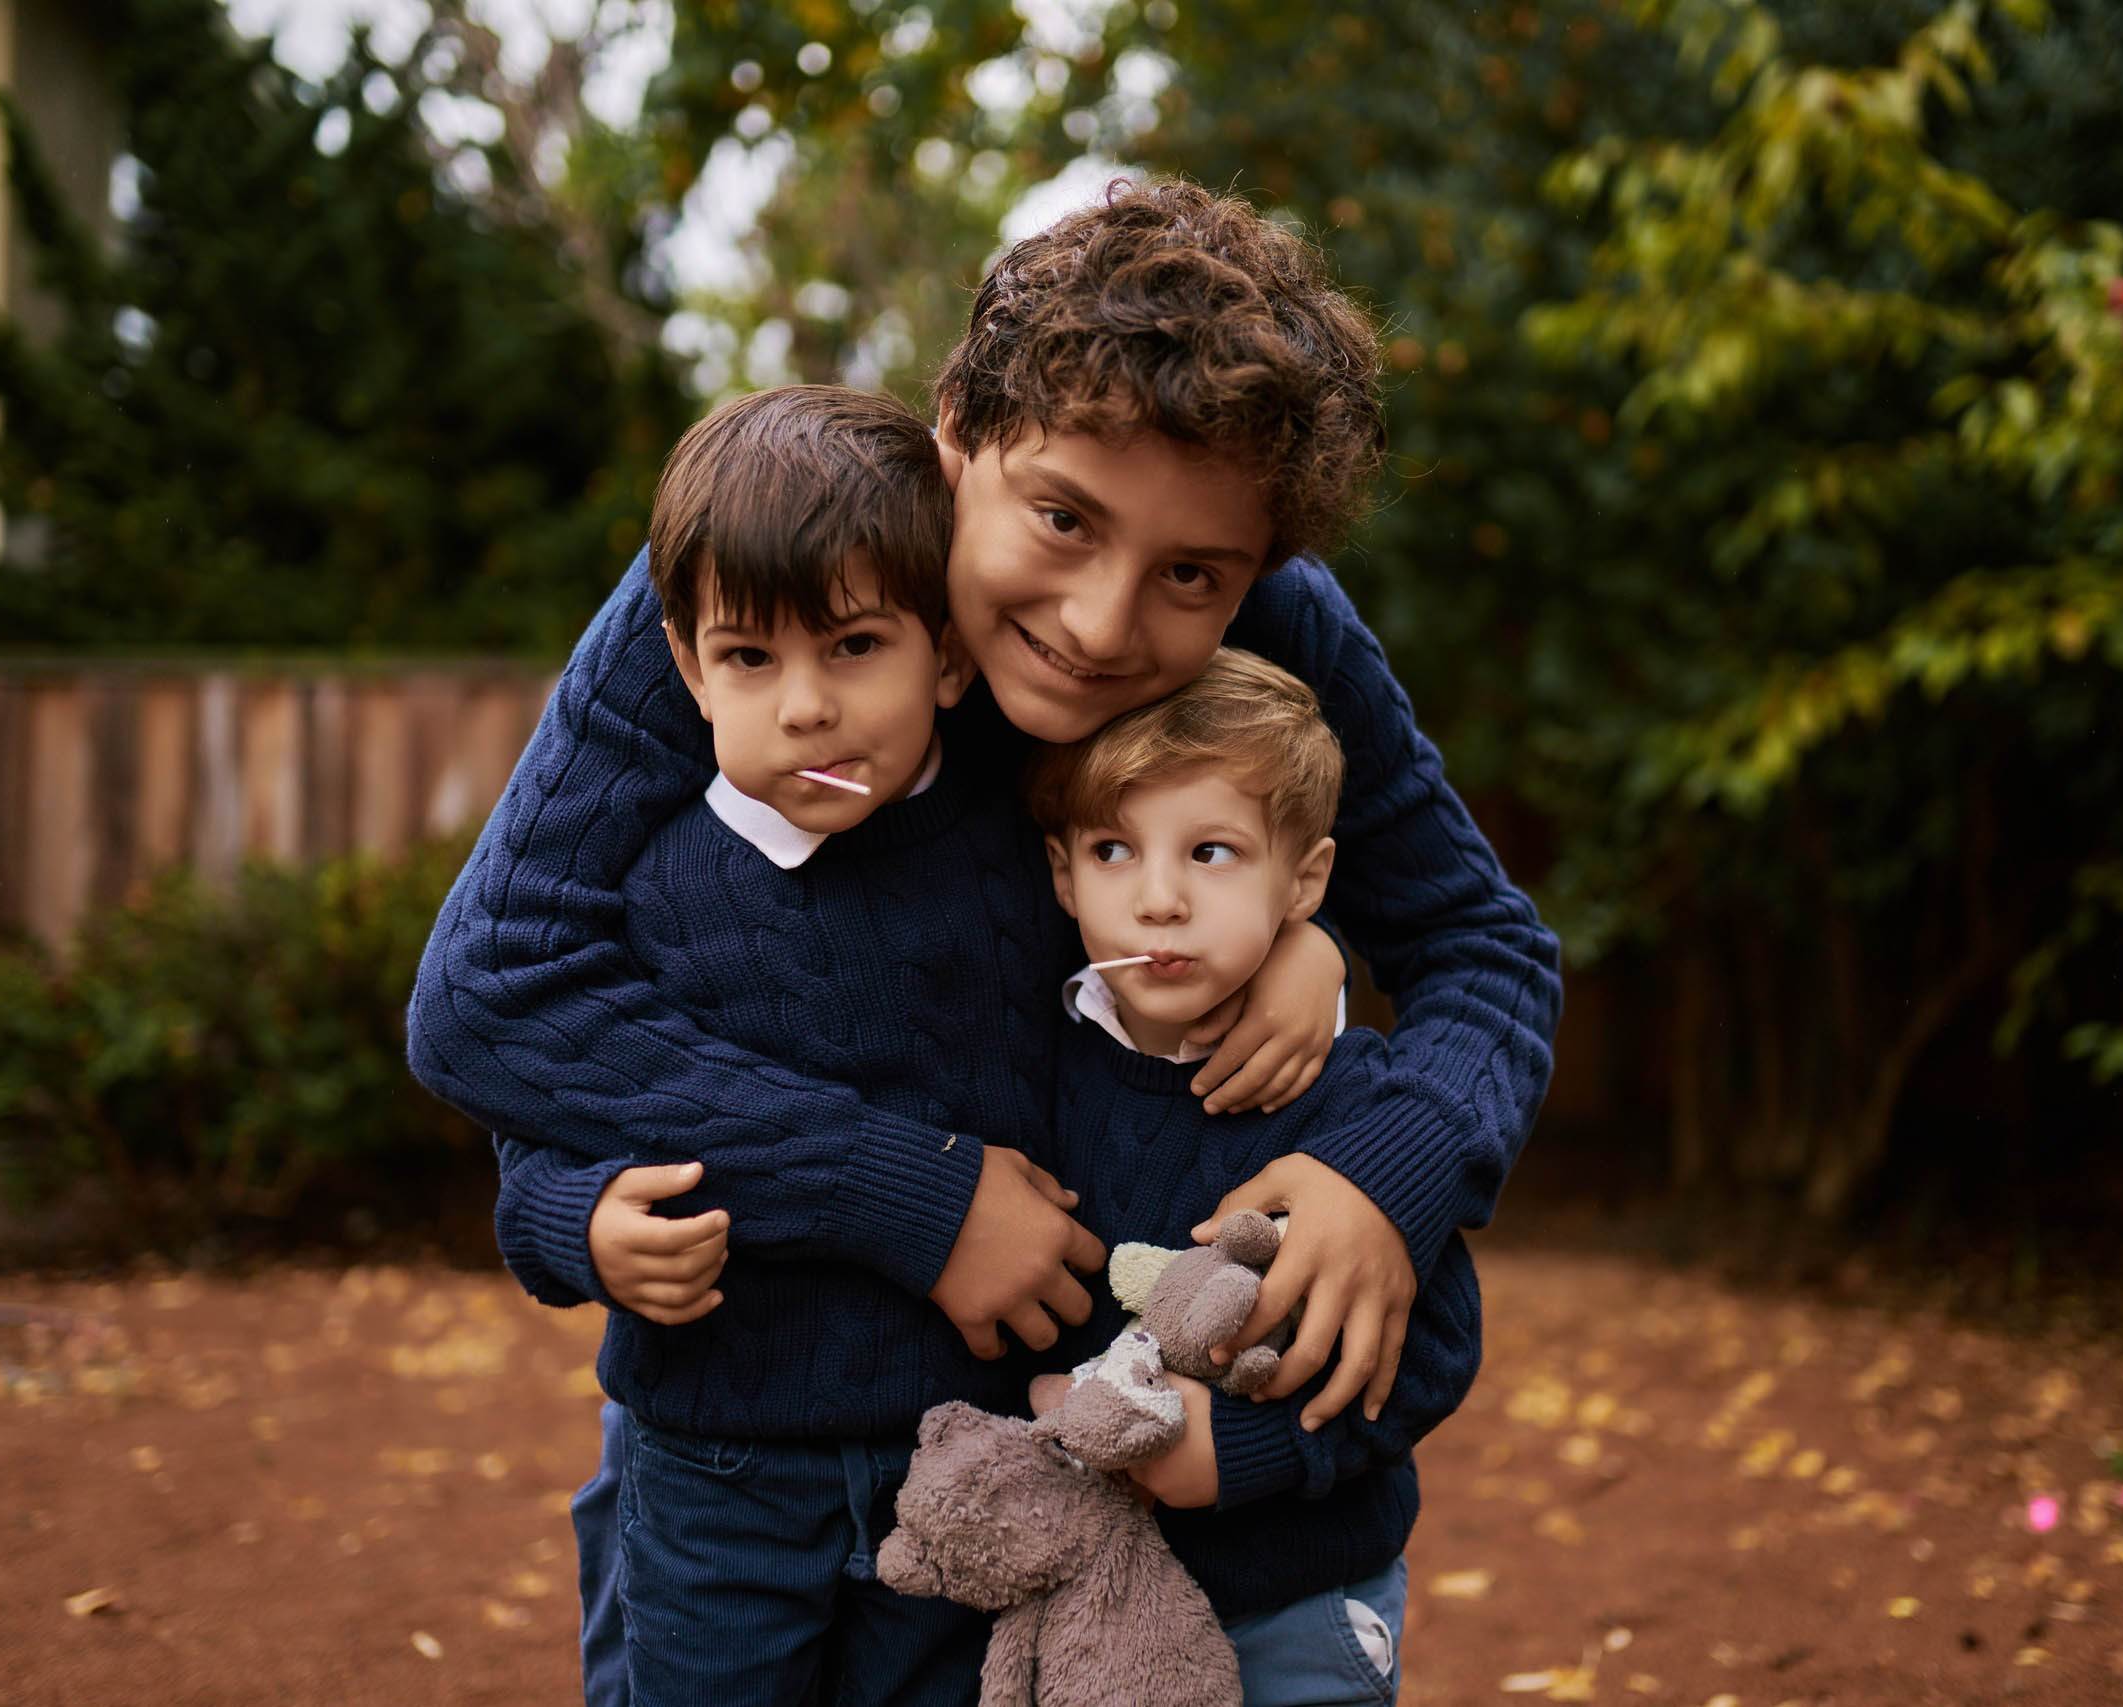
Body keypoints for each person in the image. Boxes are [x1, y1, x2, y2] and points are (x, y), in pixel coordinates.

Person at [411, 176, 1562, 1699]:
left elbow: (1485, 940)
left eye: (1191, 576)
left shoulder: (1283, 626)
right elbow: (492, 994)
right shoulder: (760, 588)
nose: (1100, 619)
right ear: (957, 428)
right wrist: (915, 1195)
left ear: (1260, 570)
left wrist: (1385, 1156)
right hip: (755, 1430)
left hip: (1021, 1469)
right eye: (1062, 517)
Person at [474, 382, 1115, 1705]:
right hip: (716, 1464)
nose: (806, 706)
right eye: (750, 658)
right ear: (687, 664)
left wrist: (1310, 964)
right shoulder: (643, 892)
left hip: (967, 1455)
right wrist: (578, 1221)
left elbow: (1142, 1007)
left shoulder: (1018, 855)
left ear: (947, 655)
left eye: (855, 647)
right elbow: (543, 1131)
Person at [1023, 648, 1484, 1706]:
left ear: (1306, 880)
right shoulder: (1029, 1074)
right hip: (1090, 1606)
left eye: (1213, 852)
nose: (1160, 900)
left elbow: (1435, 1349)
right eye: (1112, 850)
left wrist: (1238, 1450)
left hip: (1299, 1600)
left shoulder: (1356, 1107)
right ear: (1061, 874)